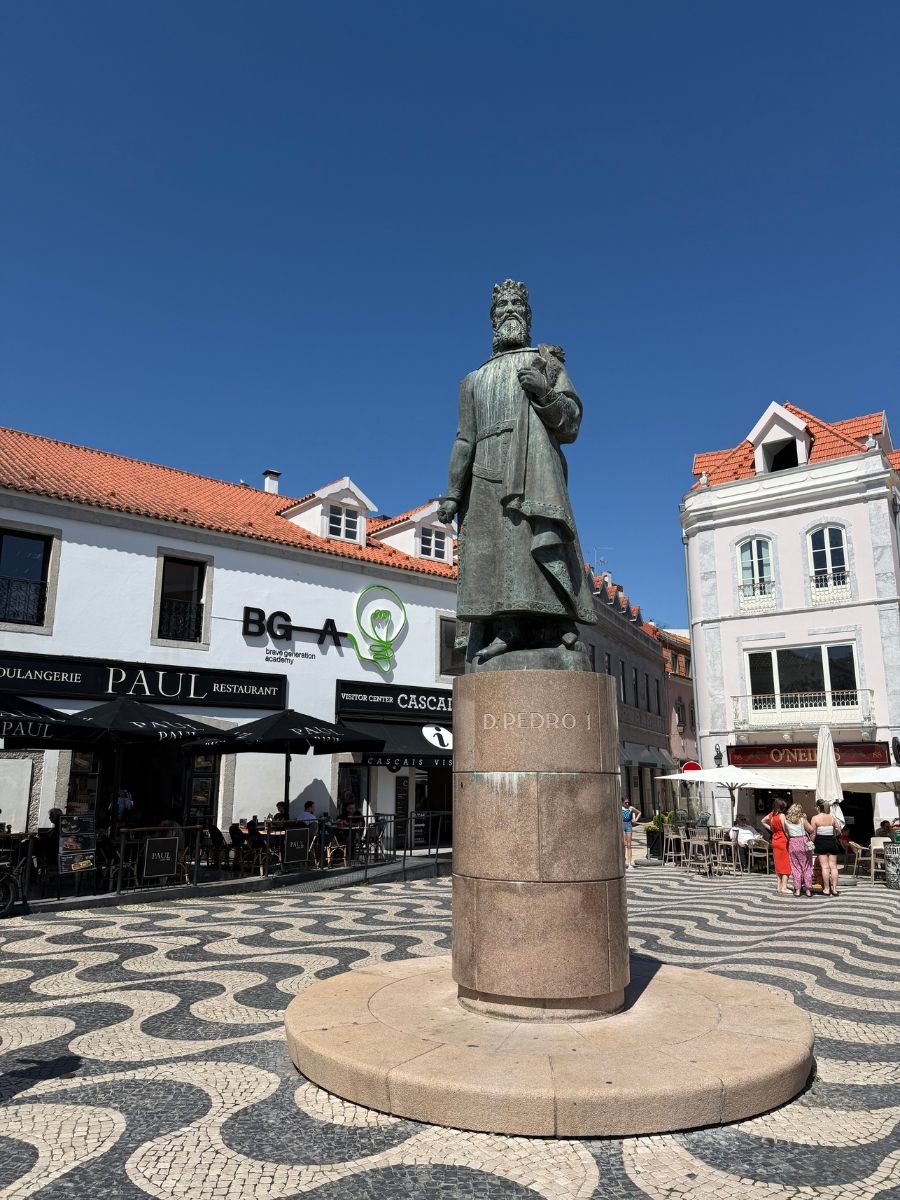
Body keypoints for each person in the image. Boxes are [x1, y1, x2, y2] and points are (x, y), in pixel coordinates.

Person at [437, 279, 596, 667]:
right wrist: (453, 492)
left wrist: (545, 391)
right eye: (502, 306)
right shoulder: (473, 380)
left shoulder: (547, 363)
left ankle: (556, 625)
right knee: (491, 557)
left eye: (516, 305)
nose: (509, 310)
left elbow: (571, 424)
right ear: (492, 320)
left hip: (534, 467)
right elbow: (463, 439)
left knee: (533, 544)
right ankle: (504, 629)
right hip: (484, 475)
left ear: (527, 314)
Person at [810, 798, 843, 896]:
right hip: (832, 842)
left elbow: (813, 834)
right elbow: (839, 830)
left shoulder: (815, 818)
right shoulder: (832, 817)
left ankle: (827, 889)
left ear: (818, 807)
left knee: (825, 867)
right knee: (833, 866)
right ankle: (835, 889)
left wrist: (811, 843)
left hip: (821, 842)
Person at [783, 803, 814, 898]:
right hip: (803, 842)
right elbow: (811, 830)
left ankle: (797, 890)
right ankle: (808, 890)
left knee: (796, 867)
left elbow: (786, 832)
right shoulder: (802, 820)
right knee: (807, 866)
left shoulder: (786, 820)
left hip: (793, 843)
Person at [761, 799, 792, 895]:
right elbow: (785, 829)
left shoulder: (772, 815)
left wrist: (772, 829)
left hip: (775, 840)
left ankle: (779, 886)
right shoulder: (781, 815)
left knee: (778, 865)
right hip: (783, 841)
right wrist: (790, 838)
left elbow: (762, 821)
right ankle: (784, 887)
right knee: (786, 864)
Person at [621, 799, 640, 871]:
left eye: (628, 802)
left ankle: (629, 863)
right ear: (622, 803)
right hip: (622, 825)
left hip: (628, 825)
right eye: (625, 802)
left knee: (629, 845)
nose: (627, 804)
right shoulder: (620, 808)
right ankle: (623, 861)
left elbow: (639, 812)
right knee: (623, 844)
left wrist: (635, 820)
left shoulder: (631, 808)